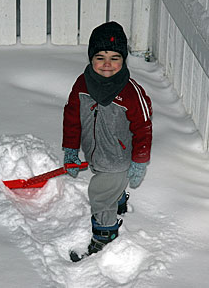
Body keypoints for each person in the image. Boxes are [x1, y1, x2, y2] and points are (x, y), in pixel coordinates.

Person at [62, 21, 152, 262]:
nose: (107, 64)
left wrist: (139, 161)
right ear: (91, 58)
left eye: (115, 58)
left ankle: (104, 235)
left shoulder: (131, 92)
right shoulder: (82, 84)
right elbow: (72, 117)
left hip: (119, 160)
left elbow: (143, 127)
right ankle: (118, 197)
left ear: (123, 60)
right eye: (100, 57)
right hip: (96, 153)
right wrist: (71, 149)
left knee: (99, 196)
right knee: (107, 183)